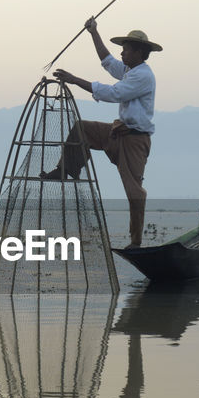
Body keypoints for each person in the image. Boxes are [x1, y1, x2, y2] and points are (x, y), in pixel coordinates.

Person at [45, 18, 159, 248]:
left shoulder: (143, 76)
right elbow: (108, 62)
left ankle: (136, 242)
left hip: (134, 140)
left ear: (139, 52)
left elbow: (113, 93)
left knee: (134, 191)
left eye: (126, 50)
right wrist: (93, 32)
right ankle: (66, 169)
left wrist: (75, 80)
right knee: (82, 129)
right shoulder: (130, 69)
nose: (122, 53)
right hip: (117, 133)